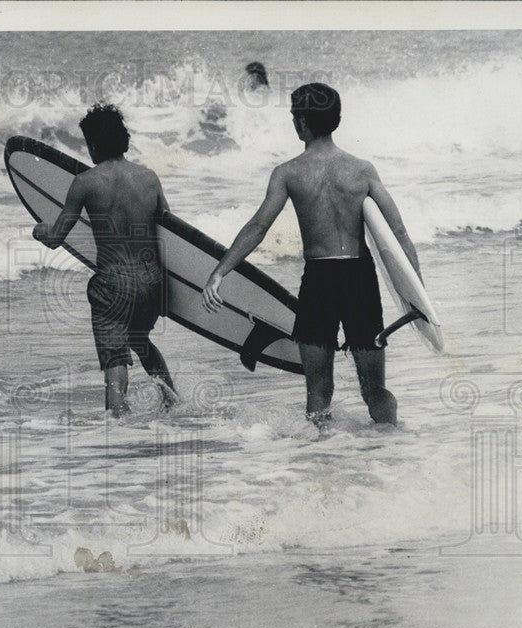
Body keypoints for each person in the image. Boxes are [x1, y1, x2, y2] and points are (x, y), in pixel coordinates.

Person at [202, 83, 422, 427]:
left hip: (319, 282)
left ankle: (319, 458)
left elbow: (259, 226)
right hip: (359, 280)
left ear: (301, 122)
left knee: (318, 391)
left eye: (294, 116)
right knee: (375, 389)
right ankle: (389, 447)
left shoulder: (288, 172)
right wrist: (418, 295)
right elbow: (398, 234)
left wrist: (220, 272)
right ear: (335, 120)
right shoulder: (362, 170)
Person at [33, 104, 177, 416]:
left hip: (113, 283)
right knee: (141, 341)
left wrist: (40, 231)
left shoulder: (85, 182)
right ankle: (173, 403)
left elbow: (57, 238)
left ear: (95, 143)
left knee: (115, 356)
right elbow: (170, 232)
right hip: (152, 280)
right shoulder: (149, 178)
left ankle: (118, 422)